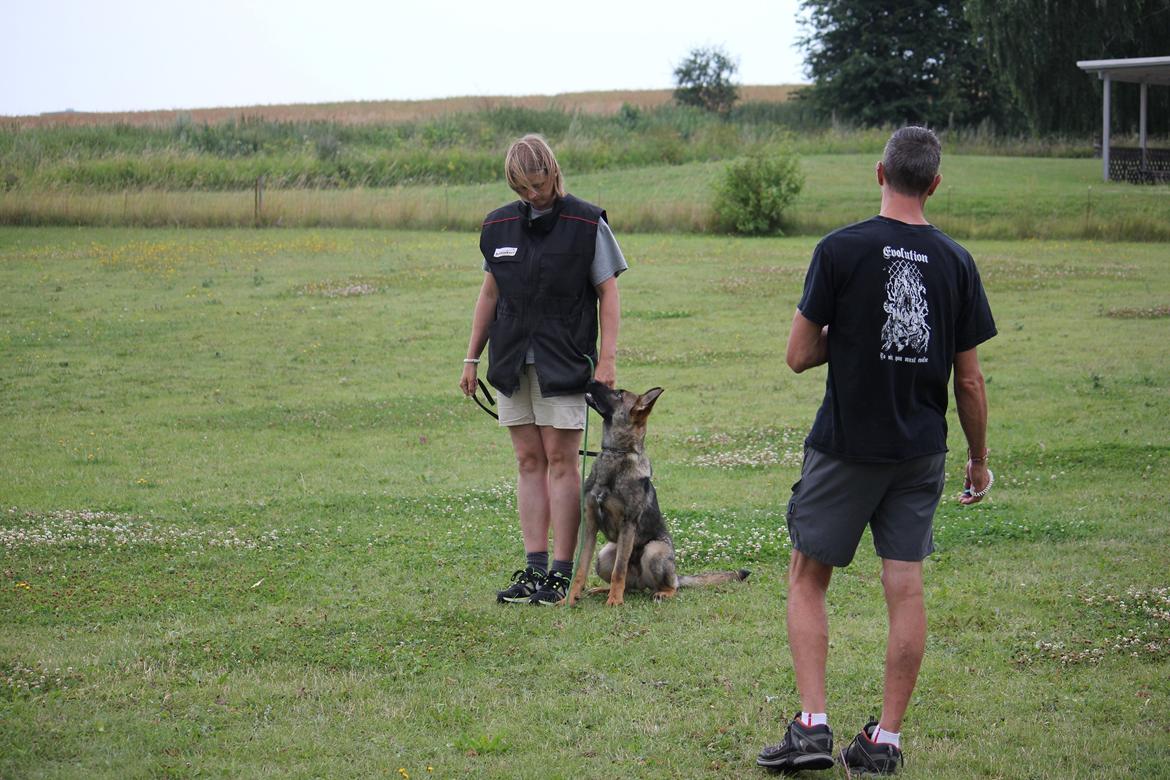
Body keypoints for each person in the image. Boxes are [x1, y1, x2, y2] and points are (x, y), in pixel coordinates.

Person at [756, 126, 996, 775]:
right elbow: (969, 380)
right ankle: (883, 742)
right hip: (921, 451)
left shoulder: (840, 250)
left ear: (879, 173)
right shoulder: (957, 262)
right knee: (906, 586)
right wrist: (977, 458)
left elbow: (799, 354)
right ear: (936, 183)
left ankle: (811, 727)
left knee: (808, 577)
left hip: (846, 447)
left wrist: (851, 331)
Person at [459, 134, 626, 606]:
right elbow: (489, 296)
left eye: (539, 183)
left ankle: (561, 572)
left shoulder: (586, 222)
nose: (533, 195)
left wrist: (608, 358)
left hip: (564, 360)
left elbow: (608, 293)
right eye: (523, 189)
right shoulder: (498, 227)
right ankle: (533, 570)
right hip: (512, 361)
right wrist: (472, 357)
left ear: (553, 171)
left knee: (561, 462)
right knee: (528, 461)